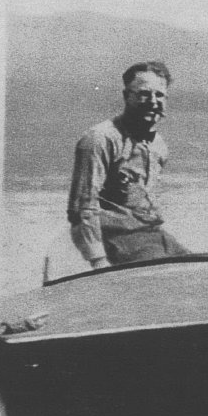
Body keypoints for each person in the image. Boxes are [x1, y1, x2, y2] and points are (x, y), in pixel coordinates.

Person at [67, 61, 187, 269]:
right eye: (144, 94)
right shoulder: (100, 139)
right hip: (117, 238)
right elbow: (82, 207)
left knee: (205, 268)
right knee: (169, 275)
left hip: (152, 234)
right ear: (126, 96)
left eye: (159, 95)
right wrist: (98, 260)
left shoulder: (158, 145)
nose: (153, 102)